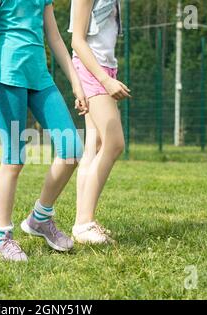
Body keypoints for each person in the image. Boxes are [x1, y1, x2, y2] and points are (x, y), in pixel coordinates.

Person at [0, 0, 88, 261]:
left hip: (40, 79)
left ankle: (40, 218)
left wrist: (76, 83)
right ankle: (2, 239)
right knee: (14, 160)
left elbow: (55, 39)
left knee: (72, 148)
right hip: (6, 78)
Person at [70, 0, 131, 244]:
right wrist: (105, 80)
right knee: (114, 143)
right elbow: (77, 39)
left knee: (94, 147)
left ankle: (81, 223)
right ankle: (85, 222)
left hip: (104, 67)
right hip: (92, 69)